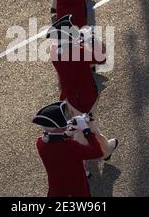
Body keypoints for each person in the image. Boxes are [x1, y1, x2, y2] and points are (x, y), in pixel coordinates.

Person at [47, 15, 118, 160]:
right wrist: (92, 39)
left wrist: (77, 41)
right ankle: (101, 152)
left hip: (70, 95)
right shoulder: (77, 51)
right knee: (88, 127)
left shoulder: (53, 50)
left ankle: (105, 148)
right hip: (86, 96)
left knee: (86, 124)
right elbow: (101, 57)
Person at [32, 101, 103, 197]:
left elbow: (58, 141)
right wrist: (86, 130)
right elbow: (98, 152)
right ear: (57, 128)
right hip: (76, 190)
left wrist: (69, 132)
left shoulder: (40, 143)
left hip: (56, 190)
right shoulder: (71, 146)